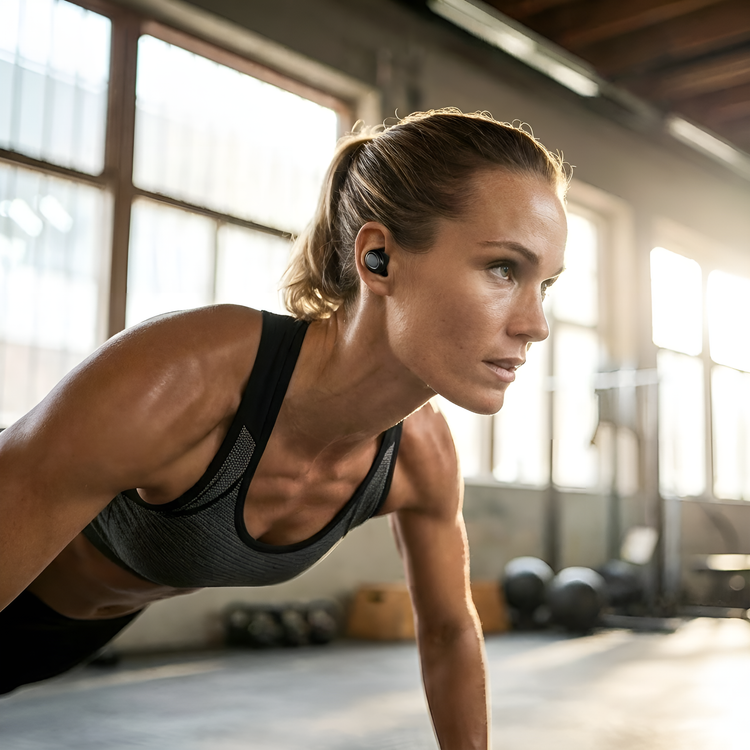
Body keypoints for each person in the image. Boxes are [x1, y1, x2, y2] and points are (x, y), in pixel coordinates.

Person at [0, 108, 568, 748]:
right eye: (503, 269)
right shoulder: (188, 378)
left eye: (543, 284)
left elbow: (448, 631)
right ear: (378, 258)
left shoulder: (420, 458)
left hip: (66, 643)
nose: (535, 324)